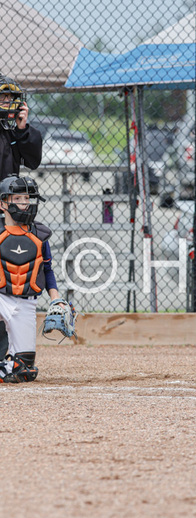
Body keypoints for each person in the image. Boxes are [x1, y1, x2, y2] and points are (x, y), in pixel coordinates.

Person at [0, 176, 64, 383]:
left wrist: (56, 299)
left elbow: (47, 269)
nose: (23, 203)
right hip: (1, 298)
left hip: (26, 303)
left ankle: (7, 366)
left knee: (25, 372)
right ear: (3, 204)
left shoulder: (39, 234)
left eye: (26, 198)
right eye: (17, 198)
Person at [0, 76, 43, 359]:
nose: (7, 103)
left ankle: (9, 347)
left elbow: (33, 160)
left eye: (10, 98)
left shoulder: (13, 132)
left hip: (7, 211)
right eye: (2, 98)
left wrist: (22, 128)